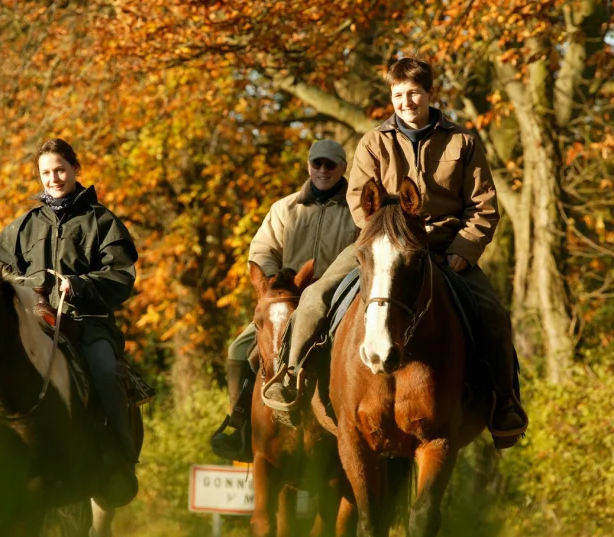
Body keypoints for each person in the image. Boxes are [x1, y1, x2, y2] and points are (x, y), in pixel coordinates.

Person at [264, 58, 528, 449]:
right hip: (382, 246)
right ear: (391, 96)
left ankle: (505, 403)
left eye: (413, 94)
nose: (406, 102)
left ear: (430, 93)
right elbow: (358, 198)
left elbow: (484, 205)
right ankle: (289, 377)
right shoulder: (374, 141)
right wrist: (382, 235)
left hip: (445, 248)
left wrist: (464, 250)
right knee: (316, 298)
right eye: (398, 95)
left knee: (493, 313)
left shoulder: (463, 142)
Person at [0, 138, 139, 506]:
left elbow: (121, 276)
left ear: (75, 169)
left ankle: (120, 458)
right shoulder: (23, 225)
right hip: (33, 321)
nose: (53, 178)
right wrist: (19, 284)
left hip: (87, 322)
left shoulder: (102, 221)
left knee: (103, 370)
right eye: (46, 173)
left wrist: (78, 284)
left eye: (60, 170)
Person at [210, 139, 359, 461]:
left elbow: (364, 252)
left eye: (330, 165)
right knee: (239, 350)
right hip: (285, 303)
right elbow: (262, 247)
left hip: (339, 302)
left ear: (343, 168)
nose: (322, 170)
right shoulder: (285, 208)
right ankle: (240, 423)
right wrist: (274, 280)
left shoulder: (356, 210)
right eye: (317, 164)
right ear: (308, 165)